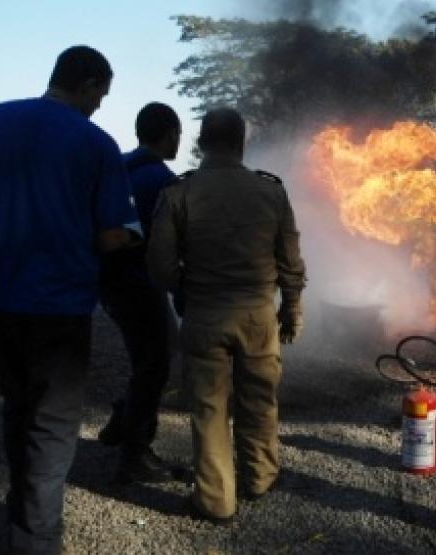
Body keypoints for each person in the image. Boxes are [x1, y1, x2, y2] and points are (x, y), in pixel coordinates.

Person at [0, 46, 135, 555]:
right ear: (90, 84)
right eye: (102, 95)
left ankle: (21, 507)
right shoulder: (96, 145)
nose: (99, 106)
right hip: (59, 305)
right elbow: (112, 238)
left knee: (17, 405)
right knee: (51, 423)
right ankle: (35, 539)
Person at [146, 107, 306, 525]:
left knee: (209, 408)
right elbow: (290, 261)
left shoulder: (178, 192)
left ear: (201, 143)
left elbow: (160, 265)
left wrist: (185, 291)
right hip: (257, 315)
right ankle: (259, 478)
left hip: (204, 314)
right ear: (241, 143)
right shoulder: (271, 191)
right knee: (259, 400)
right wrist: (291, 309)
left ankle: (216, 501)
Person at [96, 102, 182, 483]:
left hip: (110, 282)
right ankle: (135, 452)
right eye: (178, 133)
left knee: (150, 358)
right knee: (155, 365)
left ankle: (124, 416)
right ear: (169, 134)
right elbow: (167, 241)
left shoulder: (121, 166)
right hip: (139, 283)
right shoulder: (162, 179)